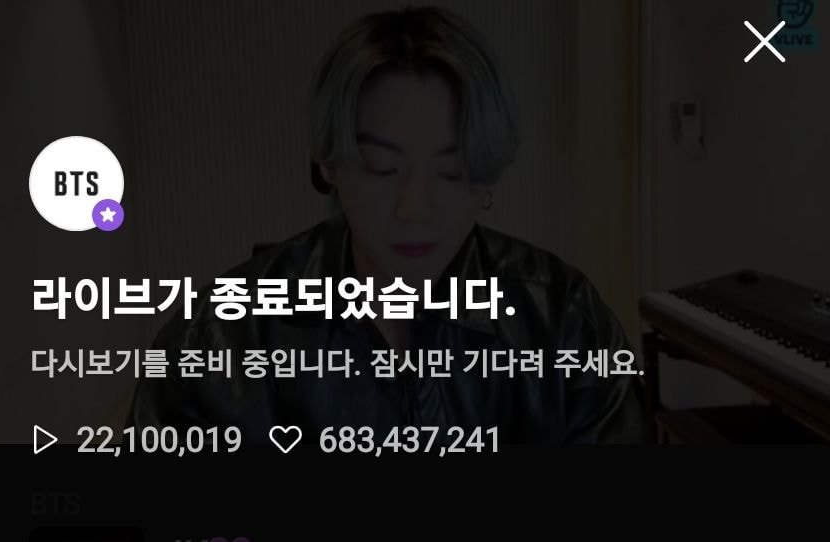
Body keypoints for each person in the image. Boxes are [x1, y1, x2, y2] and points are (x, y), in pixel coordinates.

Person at [128, 6, 647, 445]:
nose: (414, 209)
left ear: (486, 173)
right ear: (328, 163)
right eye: (381, 168)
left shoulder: (564, 320)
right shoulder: (217, 339)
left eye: (451, 171)